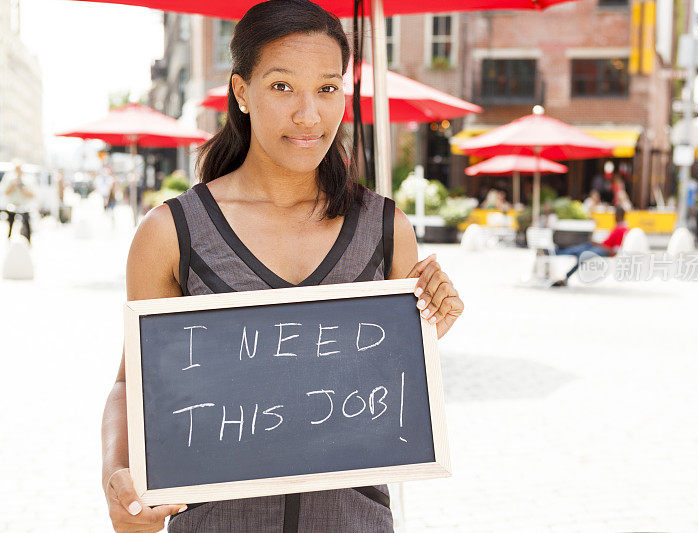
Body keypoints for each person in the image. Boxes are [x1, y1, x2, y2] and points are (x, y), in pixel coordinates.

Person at [100, 2, 465, 532]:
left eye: (327, 88)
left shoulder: (385, 229)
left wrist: (428, 329)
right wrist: (119, 477)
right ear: (242, 92)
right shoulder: (171, 233)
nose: (308, 115)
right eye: (281, 87)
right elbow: (130, 384)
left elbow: (386, 391)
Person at [550, 205, 628, 287]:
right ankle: (558, 253)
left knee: (582, 253)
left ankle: (563, 268)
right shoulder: (618, 227)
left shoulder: (622, 229)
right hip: (601, 248)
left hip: (606, 251)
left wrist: (598, 244)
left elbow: (614, 251)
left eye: (615, 215)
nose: (614, 217)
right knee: (580, 248)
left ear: (619, 215)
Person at [0, 160, 36, 243]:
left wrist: (24, 190)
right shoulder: (9, 178)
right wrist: (13, 187)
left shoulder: (28, 179)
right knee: (10, 223)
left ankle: (28, 241)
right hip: (12, 206)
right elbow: (5, 192)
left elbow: (33, 194)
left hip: (25, 206)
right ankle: (8, 239)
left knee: (27, 223)